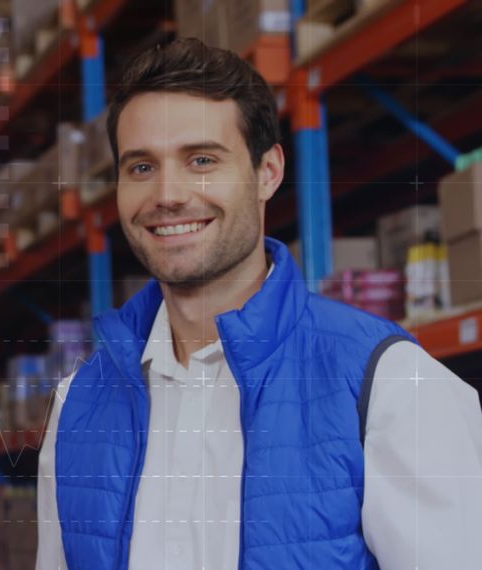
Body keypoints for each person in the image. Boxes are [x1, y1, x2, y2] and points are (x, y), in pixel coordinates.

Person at [35, 38, 482, 569]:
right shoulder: (76, 406)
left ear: (267, 172)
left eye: (201, 159)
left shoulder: (392, 387)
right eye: (140, 167)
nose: (168, 194)